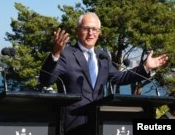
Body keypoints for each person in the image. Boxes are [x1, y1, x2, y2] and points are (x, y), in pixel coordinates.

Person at [39, 12, 168, 135]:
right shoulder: (66, 54)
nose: (91, 33)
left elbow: (119, 78)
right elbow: (45, 80)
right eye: (86, 29)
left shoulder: (102, 56)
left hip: (99, 123)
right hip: (72, 124)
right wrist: (55, 54)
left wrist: (145, 67)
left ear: (99, 33)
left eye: (95, 29)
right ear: (77, 31)